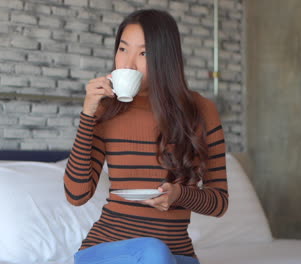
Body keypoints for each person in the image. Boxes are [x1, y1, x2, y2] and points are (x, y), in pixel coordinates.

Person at [64, 9, 228, 264]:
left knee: (158, 255)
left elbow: (219, 203)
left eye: (144, 53)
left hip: (176, 253)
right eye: (123, 49)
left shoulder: (201, 111)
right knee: (154, 253)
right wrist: (88, 114)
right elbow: (77, 195)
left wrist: (179, 195)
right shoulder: (105, 110)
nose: (128, 64)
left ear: (165, 59)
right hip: (108, 250)